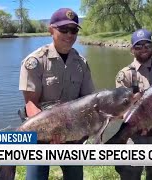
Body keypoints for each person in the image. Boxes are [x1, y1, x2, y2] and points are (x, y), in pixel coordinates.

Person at [18, 8, 95, 180]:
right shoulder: (35, 61)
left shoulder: (81, 63)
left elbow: (88, 101)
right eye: (63, 29)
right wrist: (51, 130)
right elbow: (30, 103)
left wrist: (82, 133)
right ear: (51, 29)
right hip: (40, 135)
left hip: (72, 137)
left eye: (74, 30)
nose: (69, 35)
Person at [114, 29, 152, 180]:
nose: (144, 49)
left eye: (147, 45)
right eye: (138, 46)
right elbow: (121, 109)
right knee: (131, 175)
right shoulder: (125, 74)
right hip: (134, 136)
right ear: (132, 49)